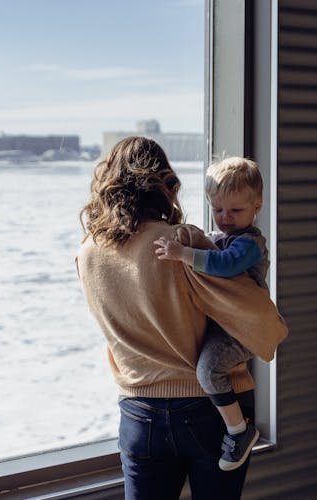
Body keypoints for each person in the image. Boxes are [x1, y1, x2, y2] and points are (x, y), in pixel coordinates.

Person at [76, 137, 287, 499]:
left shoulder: (88, 252)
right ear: (164, 183)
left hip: (139, 410)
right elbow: (254, 311)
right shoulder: (182, 240)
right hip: (209, 409)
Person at [153, 157, 271, 472]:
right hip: (226, 323)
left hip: (243, 329)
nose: (225, 218)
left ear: (256, 206)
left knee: (208, 371)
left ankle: (239, 430)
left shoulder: (249, 244)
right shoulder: (220, 238)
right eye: (217, 210)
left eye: (235, 211)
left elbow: (224, 265)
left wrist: (183, 254)